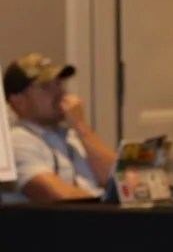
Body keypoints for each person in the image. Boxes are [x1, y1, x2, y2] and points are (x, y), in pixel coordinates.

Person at [3, 53, 116, 201]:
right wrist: (111, 208)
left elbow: (119, 181)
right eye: (45, 86)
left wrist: (81, 127)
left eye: (58, 83)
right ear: (19, 101)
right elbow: (61, 198)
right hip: (61, 222)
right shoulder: (16, 142)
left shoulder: (73, 135)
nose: (59, 92)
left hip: (98, 217)